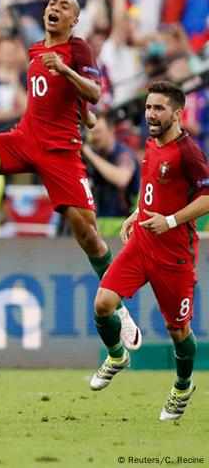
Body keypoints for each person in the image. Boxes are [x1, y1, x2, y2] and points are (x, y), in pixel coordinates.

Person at [0, 0, 143, 352]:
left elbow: (95, 92)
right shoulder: (35, 50)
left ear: (74, 21)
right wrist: (83, 111)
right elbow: (70, 100)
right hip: (25, 137)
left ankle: (121, 307)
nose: (55, 8)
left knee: (88, 235)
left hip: (61, 153)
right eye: (52, 3)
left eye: (65, 6)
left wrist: (70, 78)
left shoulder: (78, 49)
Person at [89, 81, 209, 422]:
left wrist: (170, 221)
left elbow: (207, 198)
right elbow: (152, 185)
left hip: (175, 256)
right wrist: (137, 213)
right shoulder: (151, 142)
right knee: (103, 304)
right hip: (143, 243)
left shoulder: (189, 152)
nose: (151, 114)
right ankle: (116, 356)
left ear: (177, 113)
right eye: (148, 107)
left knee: (178, 332)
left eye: (158, 108)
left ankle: (183, 387)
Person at [83, 112, 140, 235]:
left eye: (98, 132)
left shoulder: (124, 153)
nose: (95, 137)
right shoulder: (96, 155)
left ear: (111, 130)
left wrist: (90, 155)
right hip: (100, 223)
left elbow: (122, 179)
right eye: (92, 133)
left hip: (123, 224)